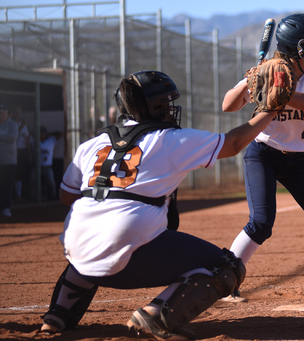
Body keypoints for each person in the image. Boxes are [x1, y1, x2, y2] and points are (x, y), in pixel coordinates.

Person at [40, 71, 278, 340]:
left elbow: (66, 196)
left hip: (76, 247)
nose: (170, 109)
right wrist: (270, 109)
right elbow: (234, 142)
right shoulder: (169, 139)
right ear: (155, 107)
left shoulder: (92, 144)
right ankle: (156, 315)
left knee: (93, 239)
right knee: (226, 267)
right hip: (125, 254)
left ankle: (57, 314)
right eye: (166, 103)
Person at [222, 14, 304, 299]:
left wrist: (272, 88)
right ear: (296, 47)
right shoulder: (265, 72)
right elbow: (228, 106)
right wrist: (250, 81)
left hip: (298, 160)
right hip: (263, 154)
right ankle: (225, 281)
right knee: (261, 223)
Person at [0, 104, 19, 218]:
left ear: (7, 113)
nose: (2, 114)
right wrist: (4, 137)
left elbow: (13, 136)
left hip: (10, 160)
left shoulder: (13, 124)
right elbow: (8, 137)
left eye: (4, 112)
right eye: (0, 112)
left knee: (7, 185)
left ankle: (6, 208)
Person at [11, 106, 32, 201]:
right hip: (14, 151)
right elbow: (15, 135)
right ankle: (17, 195)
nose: (18, 114)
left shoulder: (23, 125)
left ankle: (24, 194)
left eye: (20, 112)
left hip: (23, 151)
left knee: (24, 173)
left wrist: (29, 154)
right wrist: (22, 126)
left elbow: (26, 141)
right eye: (16, 112)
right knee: (16, 173)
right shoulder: (11, 124)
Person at [39, 126, 63, 202]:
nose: (41, 135)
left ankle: (52, 198)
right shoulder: (35, 141)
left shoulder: (50, 141)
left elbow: (61, 133)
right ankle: (34, 198)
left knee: (51, 183)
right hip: (37, 167)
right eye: (40, 133)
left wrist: (48, 133)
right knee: (33, 180)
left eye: (43, 133)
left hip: (47, 167)